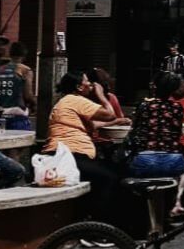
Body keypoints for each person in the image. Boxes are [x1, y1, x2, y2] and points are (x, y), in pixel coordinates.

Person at [44, 71, 127, 223]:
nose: (90, 84)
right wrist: (101, 96)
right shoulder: (75, 100)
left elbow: (95, 125)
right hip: (69, 156)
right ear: (78, 87)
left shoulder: (67, 101)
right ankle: (98, 228)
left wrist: (115, 124)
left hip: (61, 155)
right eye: (86, 81)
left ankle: (87, 220)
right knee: (110, 178)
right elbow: (110, 114)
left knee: (105, 173)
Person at [127, 72, 184, 213]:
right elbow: (177, 133)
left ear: (155, 87)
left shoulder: (144, 105)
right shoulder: (178, 108)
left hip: (144, 161)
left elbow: (134, 130)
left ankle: (136, 215)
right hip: (173, 162)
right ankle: (173, 206)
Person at [0, 42, 37, 130]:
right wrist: (34, 104)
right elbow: (28, 95)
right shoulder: (25, 70)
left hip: (0, 115)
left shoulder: (0, 69)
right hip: (18, 116)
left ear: (10, 54)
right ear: (24, 56)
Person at [89, 67, 131, 150]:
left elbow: (120, 118)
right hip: (90, 141)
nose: (108, 88)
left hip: (109, 141)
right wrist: (101, 96)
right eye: (105, 85)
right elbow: (92, 125)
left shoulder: (111, 97)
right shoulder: (84, 100)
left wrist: (125, 121)